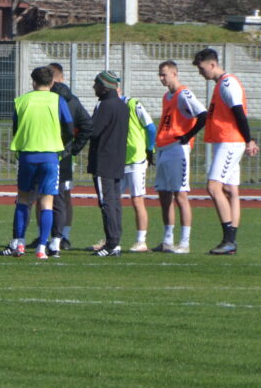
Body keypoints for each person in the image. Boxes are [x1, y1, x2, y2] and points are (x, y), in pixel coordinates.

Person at [0, 66, 73, 260]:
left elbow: (16, 127)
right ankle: (42, 247)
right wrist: (59, 143)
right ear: (52, 83)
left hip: (27, 156)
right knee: (47, 201)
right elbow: (70, 127)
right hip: (50, 156)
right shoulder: (58, 100)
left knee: (23, 199)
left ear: (33, 81)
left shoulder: (21, 101)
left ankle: (20, 243)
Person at [193, 47, 260, 255]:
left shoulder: (228, 83)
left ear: (212, 64)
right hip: (228, 140)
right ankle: (230, 241)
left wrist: (248, 139)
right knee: (231, 191)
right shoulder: (221, 84)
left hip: (230, 141)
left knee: (213, 187)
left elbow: (239, 113)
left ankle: (229, 240)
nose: (200, 73)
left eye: (202, 68)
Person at [152, 60, 208, 254]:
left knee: (180, 195)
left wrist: (187, 136)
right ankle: (167, 240)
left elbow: (203, 115)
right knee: (164, 194)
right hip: (163, 148)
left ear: (174, 74)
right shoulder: (167, 96)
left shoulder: (184, 93)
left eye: (164, 74)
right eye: (160, 74)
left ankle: (184, 242)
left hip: (177, 149)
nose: (161, 78)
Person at [46, 63, 92, 256]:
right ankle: (61, 236)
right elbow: (87, 125)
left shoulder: (50, 99)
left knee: (45, 196)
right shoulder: (73, 100)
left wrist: (72, 148)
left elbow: (86, 125)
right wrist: (73, 148)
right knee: (63, 196)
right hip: (63, 155)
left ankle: (49, 236)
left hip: (46, 152)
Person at [88, 70, 130, 257]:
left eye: (96, 84)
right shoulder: (122, 106)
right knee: (114, 202)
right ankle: (115, 241)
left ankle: (111, 243)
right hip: (117, 160)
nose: (94, 87)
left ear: (103, 87)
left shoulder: (105, 106)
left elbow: (94, 131)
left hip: (103, 160)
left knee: (107, 202)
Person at [121, 84, 157, 253]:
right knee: (112, 201)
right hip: (117, 159)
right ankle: (111, 239)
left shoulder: (133, 104)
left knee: (137, 200)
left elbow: (150, 127)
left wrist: (150, 149)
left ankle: (141, 241)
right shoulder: (105, 105)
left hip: (136, 159)